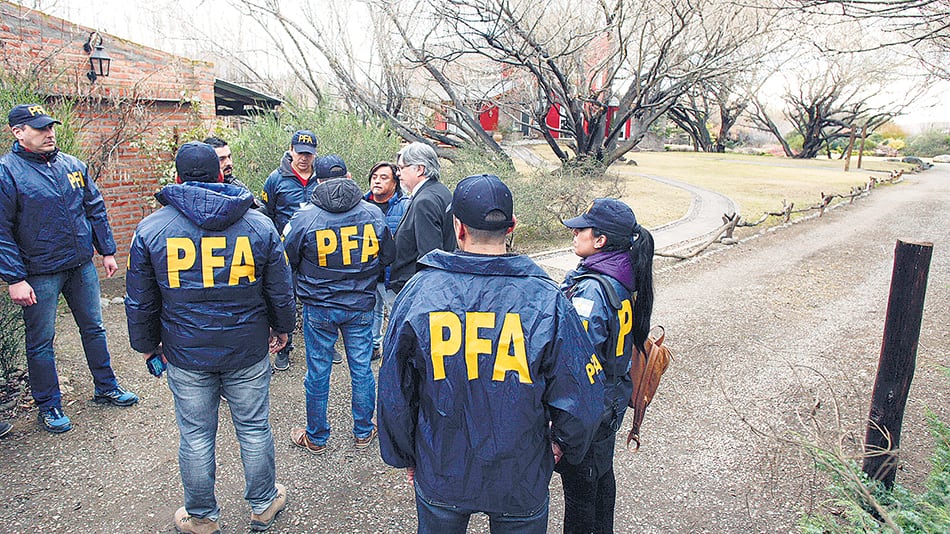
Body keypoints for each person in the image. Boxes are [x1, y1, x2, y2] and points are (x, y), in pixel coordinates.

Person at [378, 174, 604, 533]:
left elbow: (394, 387)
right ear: (512, 226)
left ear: (458, 227)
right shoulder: (548, 299)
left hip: (442, 467)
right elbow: (584, 394)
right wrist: (562, 445)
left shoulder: (419, 292)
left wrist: (405, 453)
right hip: (521, 473)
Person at [125, 142, 296, 533]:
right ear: (221, 175)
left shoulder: (152, 229)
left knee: (196, 434)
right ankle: (263, 505)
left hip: (186, 353)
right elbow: (281, 290)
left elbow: (140, 300)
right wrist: (283, 328)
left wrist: (148, 346)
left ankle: (202, 517)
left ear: (177, 178)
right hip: (247, 348)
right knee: (253, 428)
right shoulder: (257, 224)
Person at [0, 103, 138, 434]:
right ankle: (49, 405)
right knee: (41, 341)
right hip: (39, 271)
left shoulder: (72, 166)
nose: (49, 134)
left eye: (51, 127)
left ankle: (106, 387)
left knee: (94, 328)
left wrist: (106, 251)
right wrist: (15, 278)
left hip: (80, 266)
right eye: (40, 129)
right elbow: (1, 229)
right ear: (18, 133)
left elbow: (94, 208)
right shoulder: (7, 172)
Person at [283, 155, 394, 455]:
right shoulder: (373, 213)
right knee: (362, 368)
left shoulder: (303, 218)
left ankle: (317, 437)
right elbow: (388, 257)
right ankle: (363, 431)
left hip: (319, 307)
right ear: (347, 176)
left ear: (317, 181)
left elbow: (287, 260)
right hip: (360, 304)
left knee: (318, 371)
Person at [558, 198, 655, 534]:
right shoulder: (622, 280)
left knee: (581, 497)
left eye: (581, 228)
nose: (574, 232)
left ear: (599, 241)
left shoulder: (592, 291)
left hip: (590, 408)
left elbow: (573, 361)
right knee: (600, 478)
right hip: (610, 403)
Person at [260, 129, 323, 370]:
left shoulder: (321, 177)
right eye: (300, 153)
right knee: (284, 297)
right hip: (285, 252)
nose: (304, 158)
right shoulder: (276, 179)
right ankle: (284, 346)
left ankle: (320, 347)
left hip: (316, 252)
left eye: (309, 154)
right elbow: (265, 213)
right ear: (291, 150)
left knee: (315, 299)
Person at [387, 142, 455, 295]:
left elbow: (429, 256)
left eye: (401, 168)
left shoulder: (425, 201)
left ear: (419, 169)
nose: (398, 174)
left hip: (418, 290)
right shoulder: (440, 191)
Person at [362, 161, 408, 360]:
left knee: (396, 312)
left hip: (393, 273)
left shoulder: (405, 205)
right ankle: (374, 345)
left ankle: (399, 351)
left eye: (383, 177)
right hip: (369, 272)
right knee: (372, 310)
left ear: (395, 183)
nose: (377, 181)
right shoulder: (361, 205)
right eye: (374, 177)